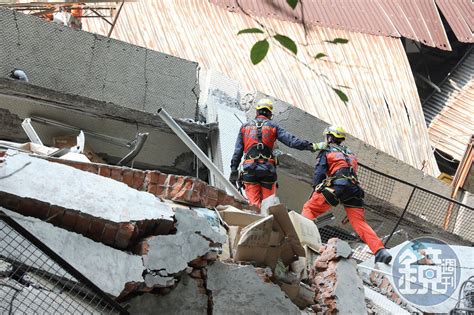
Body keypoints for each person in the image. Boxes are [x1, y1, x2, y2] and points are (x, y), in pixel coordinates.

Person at [301, 125, 392, 264]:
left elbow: (319, 174)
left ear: (329, 137)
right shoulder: (350, 153)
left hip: (338, 188)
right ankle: (380, 251)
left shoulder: (326, 151)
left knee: (309, 209)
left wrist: (316, 189)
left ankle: (298, 238)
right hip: (354, 190)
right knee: (359, 222)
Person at [229, 99, 321, 209]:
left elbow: (237, 152)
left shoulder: (244, 127)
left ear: (257, 112)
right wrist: (311, 146)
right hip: (268, 171)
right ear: (269, 113)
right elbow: (291, 141)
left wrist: (234, 170)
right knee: (268, 207)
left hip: (250, 171)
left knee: (254, 207)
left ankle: (258, 223)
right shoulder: (273, 126)